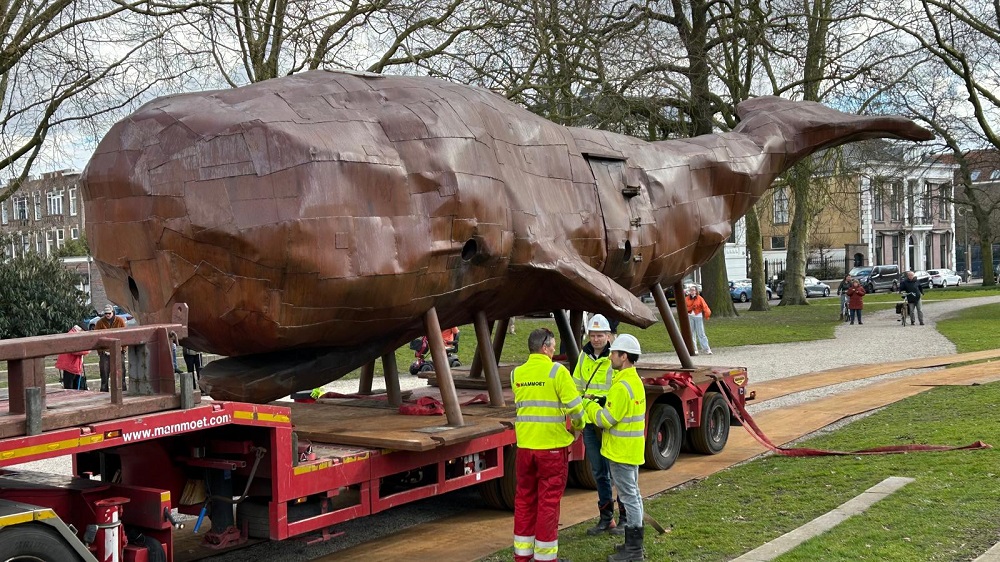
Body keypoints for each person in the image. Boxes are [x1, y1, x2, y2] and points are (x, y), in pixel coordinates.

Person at [512, 328, 585, 562]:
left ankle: (522, 556)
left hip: (525, 448)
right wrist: (578, 427)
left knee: (524, 500)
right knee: (548, 504)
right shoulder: (557, 372)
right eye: (553, 347)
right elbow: (575, 408)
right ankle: (545, 558)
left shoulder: (517, 374)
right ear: (545, 347)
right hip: (552, 449)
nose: (554, 351)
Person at [582, 333, 648, 561]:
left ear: (625, 356)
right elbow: (619, 407)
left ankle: (634, 551)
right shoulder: (632, 381)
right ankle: (632, 545)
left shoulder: (621, 386)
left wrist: (588, 406)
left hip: (620, 451)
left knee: (630, 497)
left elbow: (605, 420)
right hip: (630, 449)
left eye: (614, 353)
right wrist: (601, 399)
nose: (610, 357)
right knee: (634, 495)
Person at [571, 314, 620, 536]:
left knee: (619, 472)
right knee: (599, 472)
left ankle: (626, 518)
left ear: (609, 336)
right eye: (592, 335)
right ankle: (606, 518)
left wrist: (598, 401)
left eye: (600, 335)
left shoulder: (617, 357)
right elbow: (576, 386)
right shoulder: (584, 355)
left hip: (610, 422)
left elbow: (620, 390)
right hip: (591, 422)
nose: (596, 339)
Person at [94, 304, 128, 392]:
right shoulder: (100, 323)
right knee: (104, 376)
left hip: (118, 352)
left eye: (109, 313)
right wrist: (100, 352)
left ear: (113, 312)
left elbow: (125, 335)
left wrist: (123, 349)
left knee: (121, 375)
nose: (107, 315)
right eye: (106, 313)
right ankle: (103, 394)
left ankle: (123, 393)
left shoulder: (120, 321)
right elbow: (95, 338)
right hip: (105, 353)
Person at [56, 325, 90, 390]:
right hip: (70, 365)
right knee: (70, 386)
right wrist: (87, 350)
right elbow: (75, 350)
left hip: (71, 364)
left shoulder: (72, 334)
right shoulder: (72, 336)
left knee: (72, 384)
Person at [685, 286, 712, 355]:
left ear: (696, 291)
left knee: (701, 333)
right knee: (691, 333)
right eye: (691, 290)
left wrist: (707, 314)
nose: (692, 291)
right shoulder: (686, 299)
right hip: (690, 316)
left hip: (698, 316)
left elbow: (705, 306)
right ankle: (694, 349)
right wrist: (691, 307)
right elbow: (685, 308)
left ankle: (707, 349)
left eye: (693, 290)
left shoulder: (700, 298)